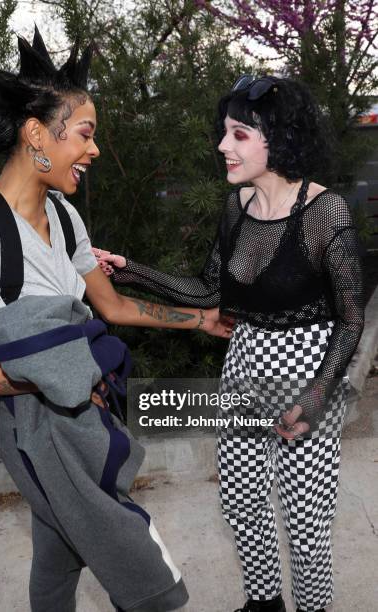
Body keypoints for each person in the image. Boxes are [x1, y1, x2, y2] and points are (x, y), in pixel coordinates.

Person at [0, 28, 233, 612]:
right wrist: (64, 378)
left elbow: (115, 306)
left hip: (83, 415)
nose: (95, 150)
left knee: (57, 553)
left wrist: (199, 320)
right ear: (35, 134)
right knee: (142, 570)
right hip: (37, 427)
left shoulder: (64, 215)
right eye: (85, 134)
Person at [94, 75, 365, 612]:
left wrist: (313, 401)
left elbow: (351, 321)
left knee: (306, 518)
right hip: (244, 362)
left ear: (279, 139)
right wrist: (132, 272)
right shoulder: (236, 208)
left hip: (308, 367)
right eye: (225, 133)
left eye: (239, 134)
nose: (223, 146)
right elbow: (209, 291)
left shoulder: (324, 212)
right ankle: (262, 604)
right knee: (241, 501)